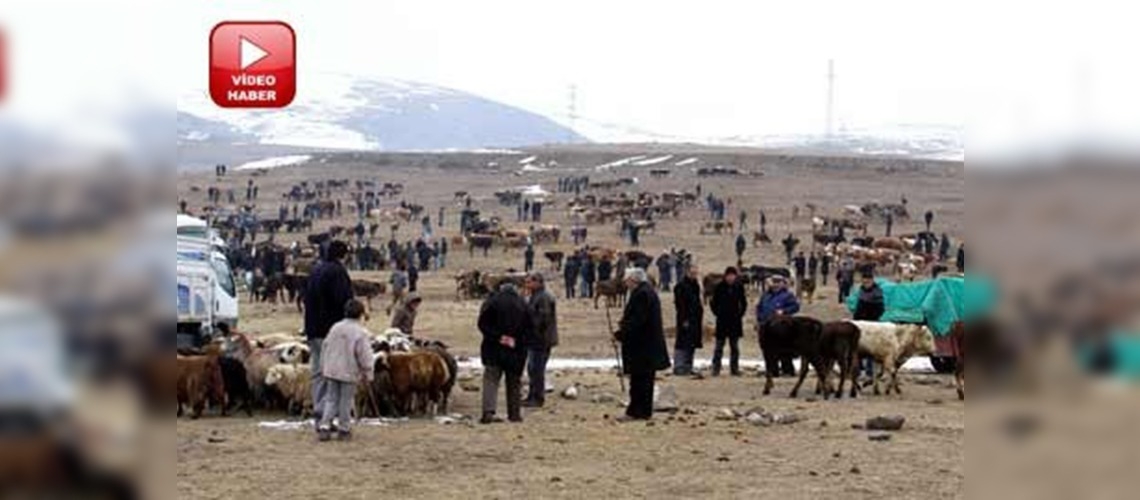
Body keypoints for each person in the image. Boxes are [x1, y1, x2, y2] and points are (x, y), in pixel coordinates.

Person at [304, 240, 355, 420]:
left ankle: (319, 407)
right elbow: (343, 301)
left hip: (312, 329)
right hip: (331, 330)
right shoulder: (338, 272)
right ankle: (330, 413)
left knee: (318, 370)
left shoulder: (316, 270)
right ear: (343, 255)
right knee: (333, 372)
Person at [614, 268, 670, 421]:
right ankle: (643, 411)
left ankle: (636, 411)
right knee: (644, 380)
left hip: (642, 346)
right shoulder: (647, 292)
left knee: (640, 380)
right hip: (647, 346)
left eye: (627, 280)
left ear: (633, 280)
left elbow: (638, 321)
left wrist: (621, 333)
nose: (625, 284)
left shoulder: (641, 294)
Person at [317, 299, 374, 442]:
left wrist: (324, 365)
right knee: (346, 400)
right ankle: (344, 429)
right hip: (348, 370)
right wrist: (368, 371)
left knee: (331, 399)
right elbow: (364, 354)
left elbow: (325, 346)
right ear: (361, 314)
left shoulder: (335, 327)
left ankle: (324, 426)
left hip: (331, 369)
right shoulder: (360, 332)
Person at [477, 282, 534, 424]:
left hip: (493, 349)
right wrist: (516, 341)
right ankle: (514, 414)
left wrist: (498, 337)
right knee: (514, 382)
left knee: (491, 380)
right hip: (516, 351)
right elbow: (530, 329)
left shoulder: (492, 302)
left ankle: (488, 412)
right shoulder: (523, 304)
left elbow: (482, 324)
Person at [523, 273, 558, 408]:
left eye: (529, 282)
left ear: (537, 282)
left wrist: (533, 330)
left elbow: (543, 318)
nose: (527, 285)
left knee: (537, 369)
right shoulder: (536, 295)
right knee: (532, 369)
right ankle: (532, 395)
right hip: (537, 338)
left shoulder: (543, 297)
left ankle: (537, 398)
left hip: (541, 339)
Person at [756, 276, 801, 377]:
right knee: (768, 350)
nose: (776, 284)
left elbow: (796, 307)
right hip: (766, 327)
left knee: (784, 350)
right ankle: (772, 371)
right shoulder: (765, 295)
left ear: (783, 283)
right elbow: (759, 308)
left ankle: (788, 371)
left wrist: (784, 311)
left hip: (782, 328)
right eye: (774, 282)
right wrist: (759, 320)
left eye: (778, 282)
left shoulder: (788, 295)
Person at [709, 267, 747, 377]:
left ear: (735, 276)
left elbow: (743, 303)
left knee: (734, 347)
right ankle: (716, 369)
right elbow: (713, 302)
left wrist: (740, 314)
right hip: (722, 321)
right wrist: (718, 313)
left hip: (735, 321)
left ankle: (734, 369)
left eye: (733, 275)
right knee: (719, 346)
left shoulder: (739, 287)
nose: (730, 278)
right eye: (728, 275)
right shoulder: (719, 287)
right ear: (725, 276)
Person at [673, 265, 704, 376]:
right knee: (682, 343)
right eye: (692, 273)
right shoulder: (680, 286)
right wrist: (684, 320)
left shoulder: (695, 285)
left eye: (695, 273)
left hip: (695, 319)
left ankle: (688, 366)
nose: (694, 275)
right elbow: (680, 305)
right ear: (686, 272)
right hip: (685, 319)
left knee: (692, 343)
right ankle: (678, 366)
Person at [853, 271, 885, 379]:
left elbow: (880, 309)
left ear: (872, 280)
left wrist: (870, 318)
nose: (865, 282)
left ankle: (870, 372)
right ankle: (859, 370)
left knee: (871, 350)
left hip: (872, 324)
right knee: (858, 347)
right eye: (864, 280)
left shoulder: (877, 292)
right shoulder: (861, 290)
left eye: (867, 280)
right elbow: (859, 306)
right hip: (861, 324)